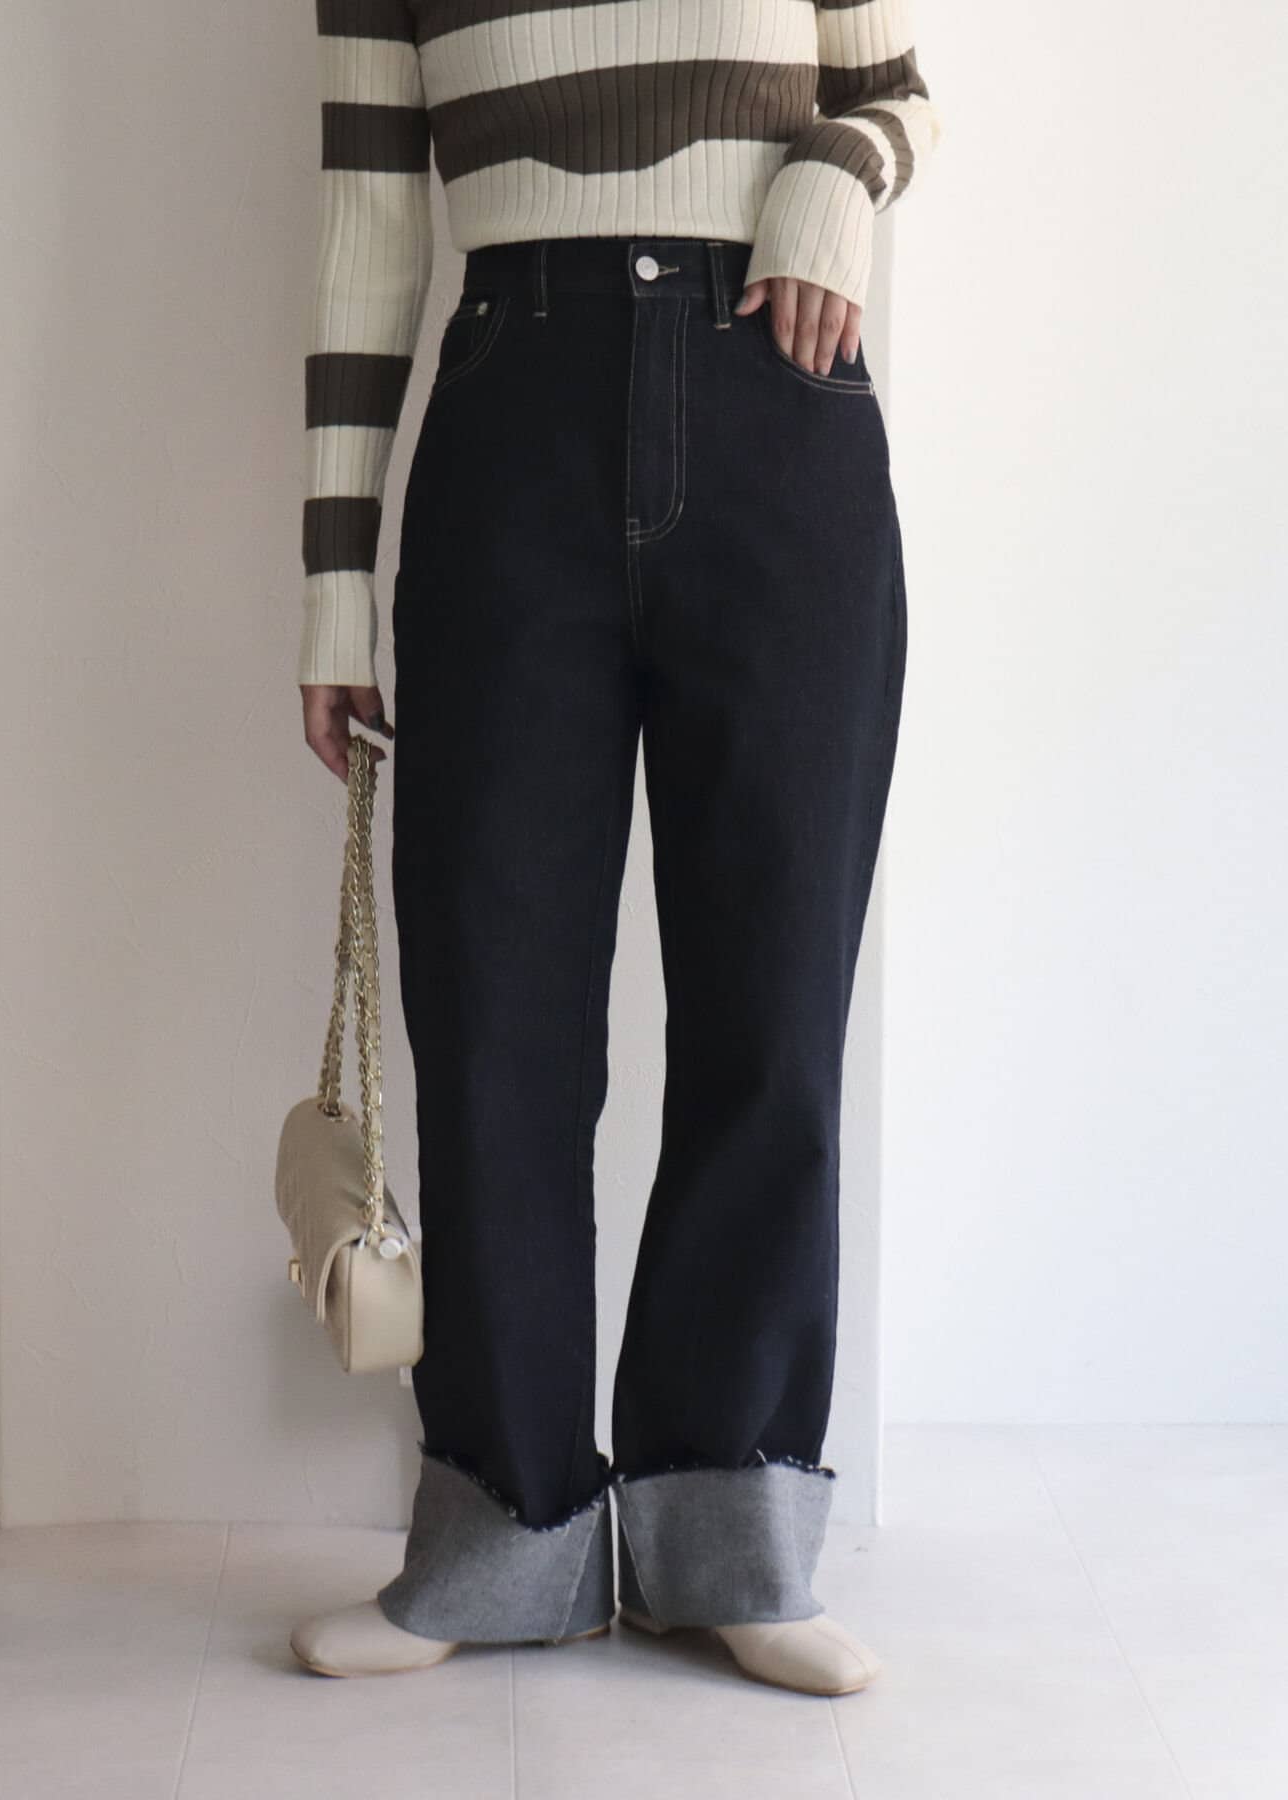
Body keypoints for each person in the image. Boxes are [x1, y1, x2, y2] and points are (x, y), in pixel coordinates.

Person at [292, 0, 941, 1695]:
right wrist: (334, 583)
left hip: (779, 403)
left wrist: (833, 178)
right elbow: (370, 217)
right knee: (494, 1024)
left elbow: (898, 97)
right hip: (511, 424)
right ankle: (504, 1538)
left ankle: (731, 1535)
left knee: (771, 1018)